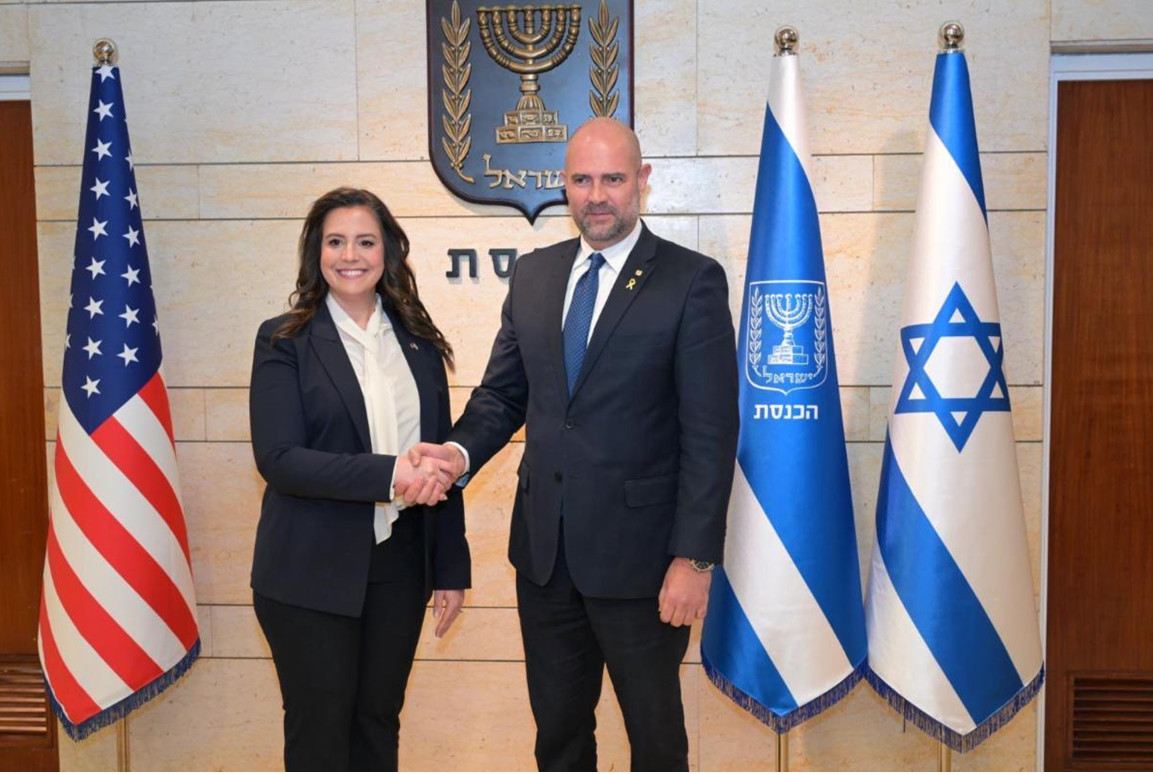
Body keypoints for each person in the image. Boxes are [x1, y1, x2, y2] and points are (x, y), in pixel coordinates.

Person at [412, 118, 739, 771]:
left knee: (656, 742)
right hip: (545, 559)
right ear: (563, 184)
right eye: (582, 180)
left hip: (644, 564)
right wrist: (457, 453)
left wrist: (695, 559)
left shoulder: (690, 280)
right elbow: (502, 395)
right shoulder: (535, 275)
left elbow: (710, 430)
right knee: (558, 738)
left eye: (613, 179)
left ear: (642, 181)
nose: (597, 196)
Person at [249, 187, 470, 771]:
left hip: (400, 566)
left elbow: (441, 458)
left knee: (377, 727)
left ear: (387, 251)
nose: (351, 255)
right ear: (316, 252)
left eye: (365, 241)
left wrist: (450, 568)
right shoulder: (284, 340)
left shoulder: (419, 341)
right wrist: (391, 473)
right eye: (336, 241)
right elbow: (278, 458)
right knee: (321, 737)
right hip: (309, 571)